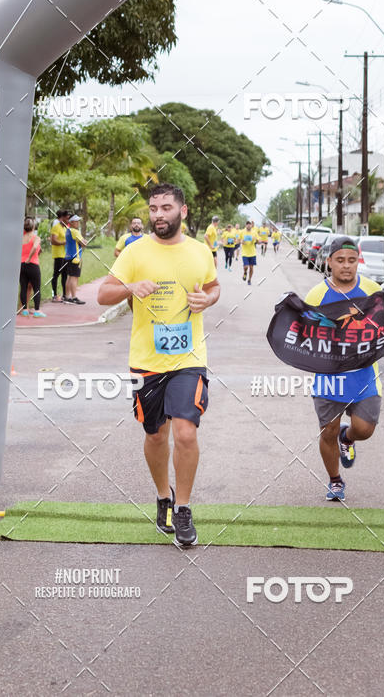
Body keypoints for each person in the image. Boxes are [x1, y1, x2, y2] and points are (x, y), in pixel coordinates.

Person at [98, 184, 220, 548]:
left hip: (189, 358)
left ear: (182, 211)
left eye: (166, 207)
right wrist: (130, 287)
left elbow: (214, 287)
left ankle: (182, 508)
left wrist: (207, 299)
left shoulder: (200, 251)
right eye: (153, 208)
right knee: (155, 435)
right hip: (146, 360)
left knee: (185, 432)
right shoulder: (135, 252)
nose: (158, 215)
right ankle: (162, 496)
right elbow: (104, 294)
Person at [305, 237, 382, 502]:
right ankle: (335, 481)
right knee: (327, 431)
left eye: (351, 260)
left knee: (365, 429)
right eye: (340, 261)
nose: (346, 266)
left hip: (364, 374)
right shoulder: (317, 294)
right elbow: (305, 333)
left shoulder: (372, 289)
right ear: (329, 262)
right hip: (329, 377)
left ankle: (347, 438)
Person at [19, 217, 45, 317]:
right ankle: (37, 311)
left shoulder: (21, 238)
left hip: (22, 265)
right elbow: (34, 247)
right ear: (33, 227)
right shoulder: (36, 238)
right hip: (33, 265)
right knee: (36, 288)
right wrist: (29, 257)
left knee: (23, 287)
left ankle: (25, 310)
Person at [64, 215, 89, 305]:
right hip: (75, 258)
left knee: (69, 277)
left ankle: (67, 297)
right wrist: (84, 242)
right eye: (75, 221)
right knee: (74, 278)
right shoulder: (75, 231)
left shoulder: (68, 230)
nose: (78, 223)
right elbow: (84, 243)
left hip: (68, 256)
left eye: (78, 221)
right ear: (71, 222)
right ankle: (74, 297)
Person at [50, 210, 70, 303]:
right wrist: (64, 242)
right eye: (67, 218)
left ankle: (65, 295)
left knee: (65, 276)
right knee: (56, 275)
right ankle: (54, 295)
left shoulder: (65, 228)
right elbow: (53, 241)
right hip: (58, 255)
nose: (68, 220)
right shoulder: (56, 227)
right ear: (62, 218)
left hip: (65, 255)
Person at [240, 220, 258, 285]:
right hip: (245, 253)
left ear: (251, 225)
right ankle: (245, 272)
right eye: (247, 224)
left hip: (252, 253)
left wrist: (257, 240)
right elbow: (238, 240)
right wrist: (241, 241)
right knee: (246, 267)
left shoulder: (254, 232)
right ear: (245, 225)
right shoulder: (242, 232)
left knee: (251, 267)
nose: (248, 225)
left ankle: (249, 279)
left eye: (249, 224)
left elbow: (257, 241)